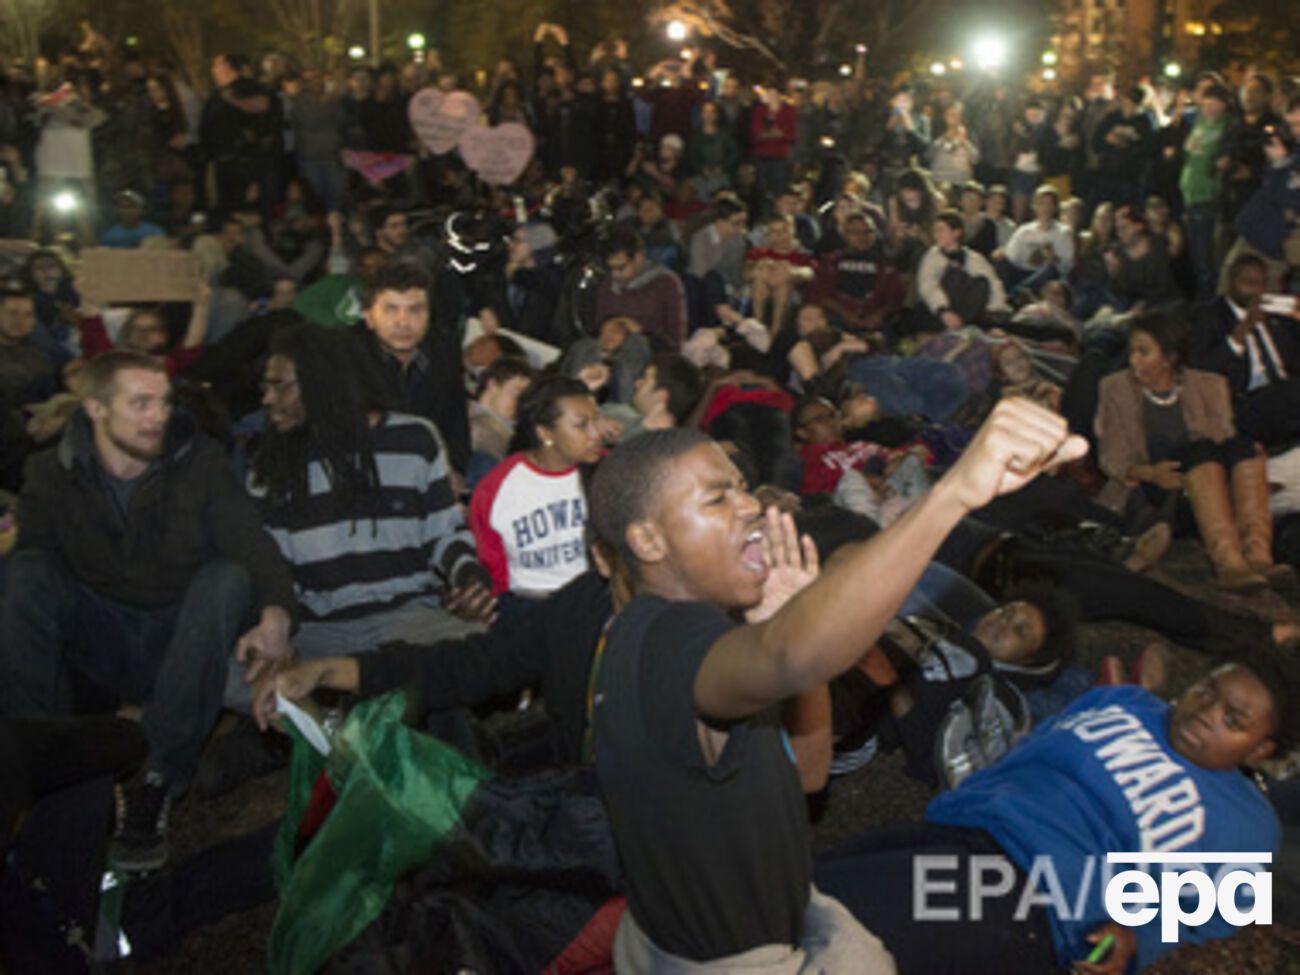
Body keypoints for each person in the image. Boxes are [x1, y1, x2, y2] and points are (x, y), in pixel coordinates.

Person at [585, 397, 1085, 969]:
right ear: (648, 542)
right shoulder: (664, 638)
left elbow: (808, 772)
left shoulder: (696, 633)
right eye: (717, 498)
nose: (750, 506)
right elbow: (790, 657)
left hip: (772, 919)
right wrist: (952, 494)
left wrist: (781, 624)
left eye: (743, 487)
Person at [815, 652, 1295, 974]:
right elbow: (1032, 749)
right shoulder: (1125, 700)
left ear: (1260, 750)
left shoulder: (1248, 823)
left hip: (1033, 896)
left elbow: (1215, 910)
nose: (1206, 714)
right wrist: (961, 803)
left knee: (837, 920)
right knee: (806, 887)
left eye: (1233, 721)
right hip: (962, 829)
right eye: (1207, 691)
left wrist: (1139, 935)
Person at [0, 351, 296, 871]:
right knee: (25, 572)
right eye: (140, 404)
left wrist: (277, 614)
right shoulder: (50, 471)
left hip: (179, 634)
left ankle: (158, 777)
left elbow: (248, 539)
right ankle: (36, 754)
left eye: (163, 402)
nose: (158, 416)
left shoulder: (198, 460)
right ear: (96, 408)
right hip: (100, 635)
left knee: (226, 578)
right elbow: (36, 584)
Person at [249, 325, 495, 666]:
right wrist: (276, 625)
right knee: (235, 673)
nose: (268, 399)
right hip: (319, 630)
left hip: (410, 617)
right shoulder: (271, 466)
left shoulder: (414, 439)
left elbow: (444, 533)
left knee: (480, 651)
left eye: (281, 386)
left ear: (322, 382)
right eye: (266, 387)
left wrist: (470, 581)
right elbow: (274, 570)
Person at [1095, 311, 1286, 592]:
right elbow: (1112, 457)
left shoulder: (1210, 385)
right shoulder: (1115, 388)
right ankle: (1229, 564)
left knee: (1240, 448)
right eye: (1132, 351)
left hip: (1209, 486)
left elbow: (1224, 441)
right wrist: (1152, 474)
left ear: (1169, 357)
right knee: (1202, 453)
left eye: (1143, 352)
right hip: (1154, 492)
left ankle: (1258, 556)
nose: (1134, 360)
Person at [468, 377, 602, 611]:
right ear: (545, 433)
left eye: (596, 421)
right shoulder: (497, 487)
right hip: (529, 603)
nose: (595, 434)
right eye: (581, 425)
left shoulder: (608, 471)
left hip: (594, 597)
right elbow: (492, 564)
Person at [348, 260, 471, 473]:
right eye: (391, 310)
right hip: (367, 465)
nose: (403, 322)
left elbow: (455, 420)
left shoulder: (443, 351)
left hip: (428, 464)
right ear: (368, 317)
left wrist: (455, 469)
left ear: (429, 315)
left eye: (415, 310)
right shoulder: (346, 355)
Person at [1191, 253, 1300, 448]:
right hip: (1246, 400)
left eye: (1262, 283)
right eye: (1248, 282)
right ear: (1231, 282)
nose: (1256, 290)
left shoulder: (1274, 313)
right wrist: (1241, 334)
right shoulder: (1208, 316)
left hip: (1285, 389)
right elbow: (1203, 370)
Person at [594, 225, 689, 351]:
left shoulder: (666, 284)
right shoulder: (606, 285)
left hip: (651, 353)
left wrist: (641, 333)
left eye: (621, 267)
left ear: (639, 258)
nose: (615, 275)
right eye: (610, 268)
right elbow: (597, 329)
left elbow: (675, 342)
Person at [916, 210, 1009, 331]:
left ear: (956, 233)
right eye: (935, 230)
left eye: (941, 230)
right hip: (942, 312)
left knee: (980, 281)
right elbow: (928, 286)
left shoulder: (974, 258)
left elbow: (993, 283)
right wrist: (943, 310)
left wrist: (996, 310)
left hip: (971, 312)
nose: (937, 234)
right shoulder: (932, 257)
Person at [100, 189, 165, 248]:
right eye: (123, 207)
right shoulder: (110, 237)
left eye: (132, 207)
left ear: (140, 210)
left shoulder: (154, 232)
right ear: (118, 210)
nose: (128, 211)